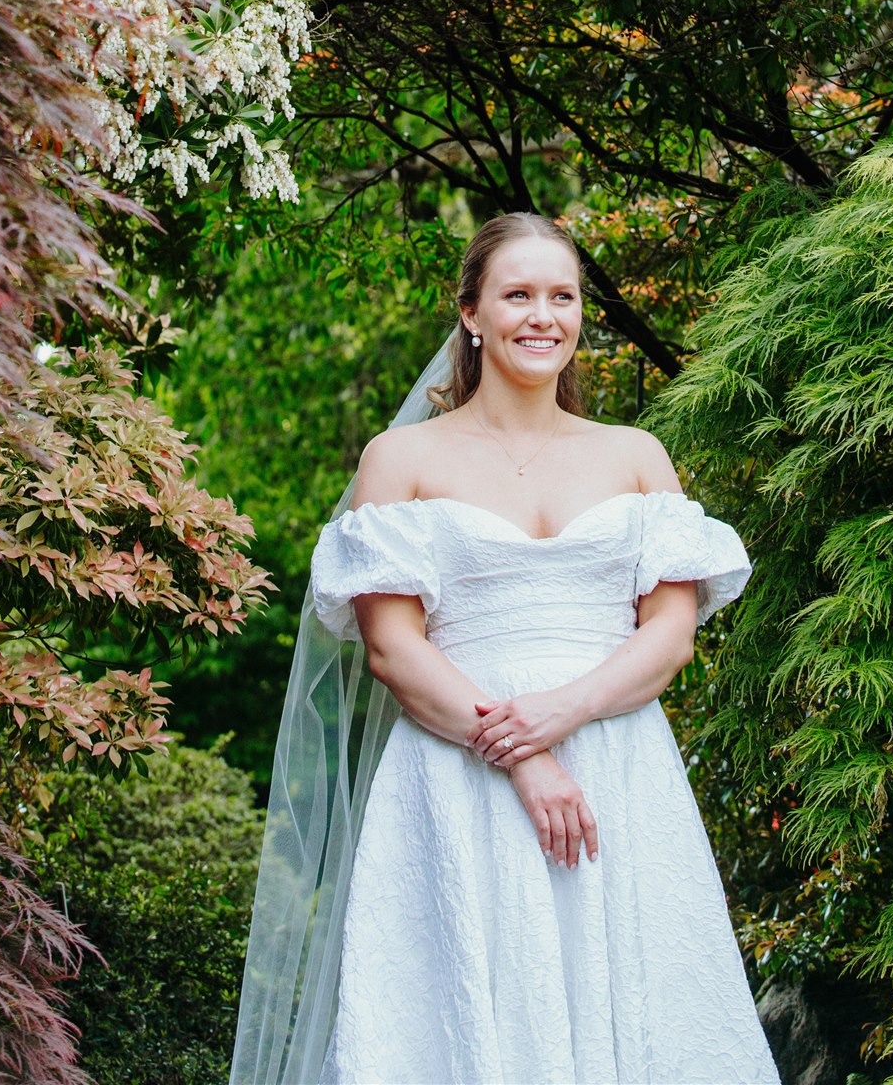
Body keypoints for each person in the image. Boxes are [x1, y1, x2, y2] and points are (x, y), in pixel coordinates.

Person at [231, 211, 780, 1085]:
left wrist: (564, 713)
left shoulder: (636, 456)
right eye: (516, 294)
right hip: (458, 778)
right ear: (471, 314)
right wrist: (526, 757)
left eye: (561, 296)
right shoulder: (400, 458)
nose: (542, 316)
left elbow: (670, 635)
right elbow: (393, 651)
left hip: (617, 771)